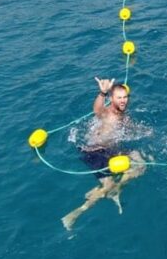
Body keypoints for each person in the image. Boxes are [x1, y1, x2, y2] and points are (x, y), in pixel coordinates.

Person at [61, 77, 147, 230]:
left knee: (141, 165)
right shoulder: (108, 113)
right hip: (94, 152)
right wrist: (102, 93)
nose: (123, 101)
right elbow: (97, 110)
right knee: (109, 185)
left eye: (125, 97)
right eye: (119, 98)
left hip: (109, 149)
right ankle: (76, 213)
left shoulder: (124, 115)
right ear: (112, 99)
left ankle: (111, 189)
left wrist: (145, 132)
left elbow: (128, 130)